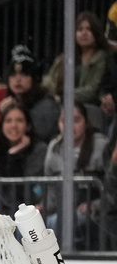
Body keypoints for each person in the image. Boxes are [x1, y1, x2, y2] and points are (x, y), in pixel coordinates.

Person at [42, 101, 109, 248]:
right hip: (61, 212)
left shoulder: (101, 145)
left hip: (94, 214)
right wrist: (42, 207)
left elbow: (111, 187)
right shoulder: (54, 147)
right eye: (64, 121)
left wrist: (95, 205)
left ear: (86, 123)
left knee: (61, 222)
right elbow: (51, 189)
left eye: (76, 120)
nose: (70, 126)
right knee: (30, 226)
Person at [44, 11, 117, 116]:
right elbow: (50, 81)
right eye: (80, 29)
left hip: (90, 109)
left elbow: (92, 91)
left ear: (96, 33)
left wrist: (65, 95)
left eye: (89, 29)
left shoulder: (103, 58)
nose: (84, 33)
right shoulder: (65, 58)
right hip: (62, 105)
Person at [0, 45, 60, 143]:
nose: (18, 79)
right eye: (13, 75)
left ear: (34, 79)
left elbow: (38, 138)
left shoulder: (47, 105)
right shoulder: (6, 104)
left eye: (24, 74)